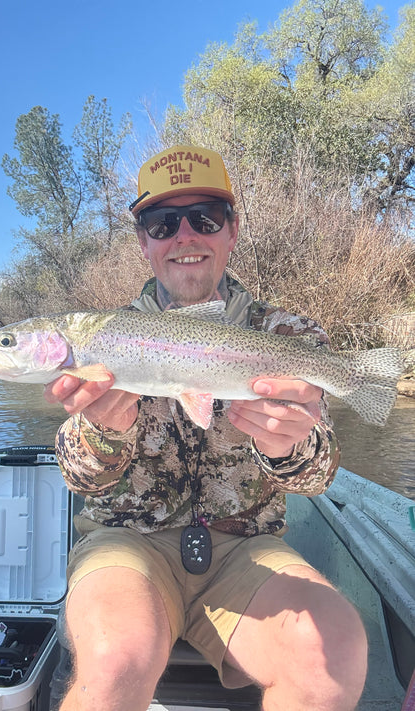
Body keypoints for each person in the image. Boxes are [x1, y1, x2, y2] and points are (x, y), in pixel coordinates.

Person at [44, 145, 368, 711]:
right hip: (128, 542)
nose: (185, 236)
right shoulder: (103, 337)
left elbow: (320, 474)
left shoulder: (288, 336)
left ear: (232, 231)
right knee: (114, 663)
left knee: (333, 651)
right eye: (163, 223)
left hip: (249, 549)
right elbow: (78, 480)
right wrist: (101, 431)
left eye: (205, 218)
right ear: (144, 241)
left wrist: (289, 445)